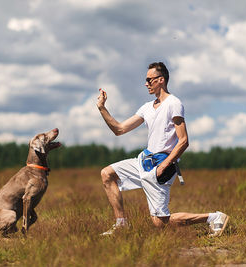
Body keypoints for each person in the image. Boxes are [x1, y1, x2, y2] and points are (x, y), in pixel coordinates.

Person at [96, 62, 229, 236]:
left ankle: (214, 217)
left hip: (161, 165)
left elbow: (183, 141)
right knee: (107, 174)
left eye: (149, 80)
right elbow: (119, 129)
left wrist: (165, 166)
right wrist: (102, 108)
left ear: (161, 80)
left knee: (160, 222)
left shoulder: (174, 103)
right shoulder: (146, 107)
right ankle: (121, 224)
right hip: (143, 161)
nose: (146, 84)